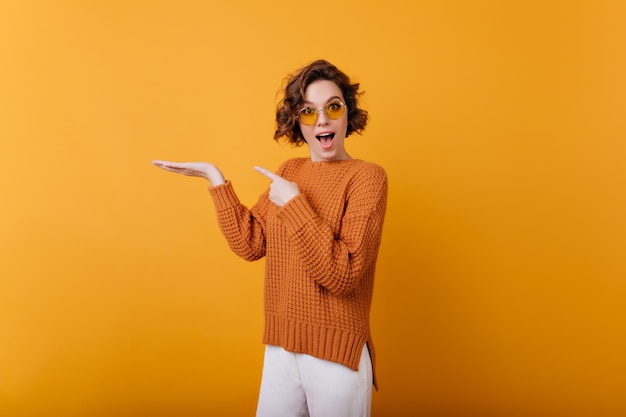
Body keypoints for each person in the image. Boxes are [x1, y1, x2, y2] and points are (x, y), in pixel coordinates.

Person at [153, 59, 387, 417]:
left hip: (337, 356)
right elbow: (251, 243)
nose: (322, 120)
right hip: (280, 349)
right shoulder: (289, 171)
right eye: (308, 112)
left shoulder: (367, 177)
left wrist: (294, 203)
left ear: (347, 113)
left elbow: (342, 275)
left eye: (333, 107)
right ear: (297, 122)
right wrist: (216, 181)